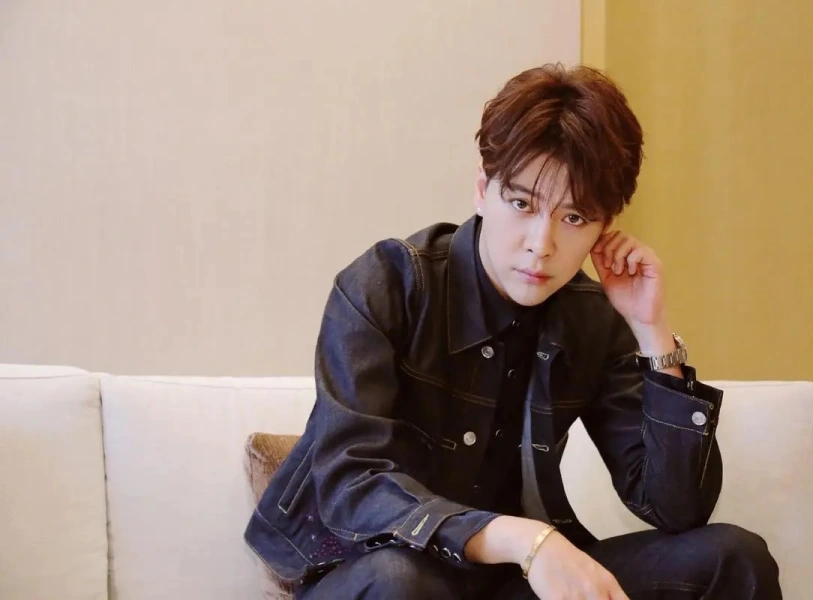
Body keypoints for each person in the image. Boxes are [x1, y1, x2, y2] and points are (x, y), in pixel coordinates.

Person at [245, 64, 781, 599]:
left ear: (604, 229)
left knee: (733, 557)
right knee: (401, 581)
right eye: (522, 204)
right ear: (483, 190)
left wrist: (651, 329)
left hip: (504, 581)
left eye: (574, 218)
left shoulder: (592, 318)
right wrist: (525, 540)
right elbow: (350, 482)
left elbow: (677, 509)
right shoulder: (387, 284)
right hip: (369, 572)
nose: (541, 245)